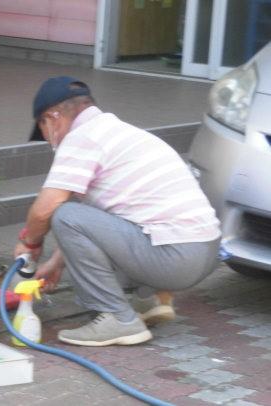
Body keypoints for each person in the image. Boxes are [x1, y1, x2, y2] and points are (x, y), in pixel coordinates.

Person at [14, 76, 221, 347]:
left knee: (65, 214)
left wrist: (29, 243)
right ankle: (147, 299)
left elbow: (46, 209)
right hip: (206, 251)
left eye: (42, 127)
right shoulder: (119, 132)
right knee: (86, 215)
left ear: (52, 118)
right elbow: (97, 225)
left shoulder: (82, 138)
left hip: (176, 256)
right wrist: (56, 264)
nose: (46, 138)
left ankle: (118, 319)